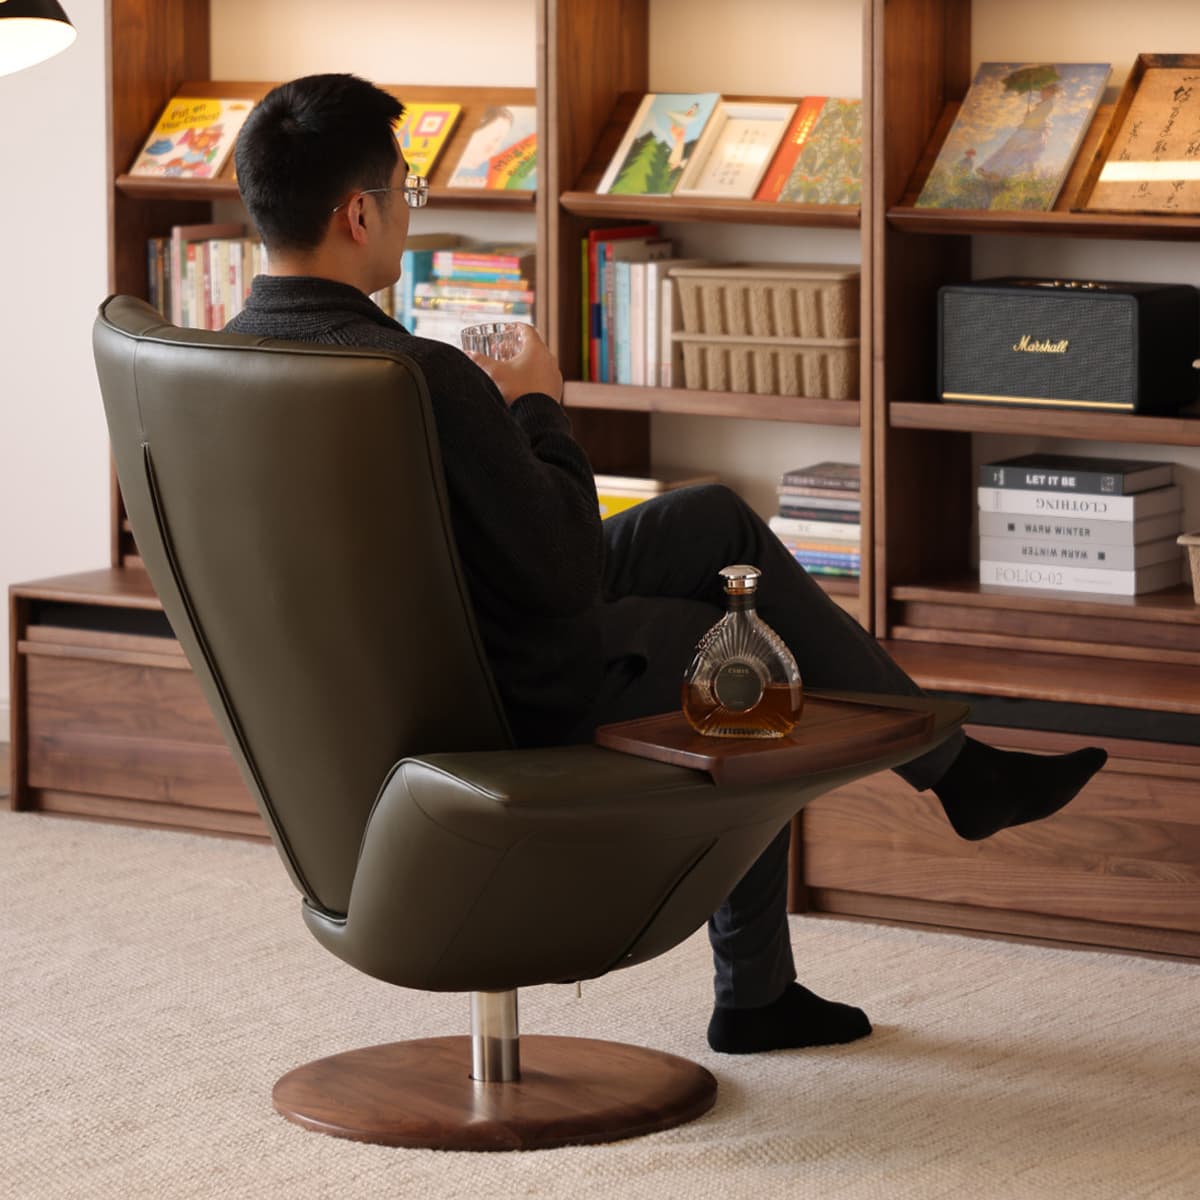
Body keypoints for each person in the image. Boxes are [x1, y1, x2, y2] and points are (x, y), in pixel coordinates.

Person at [226, 74, 1107, 1056]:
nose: (407, 211)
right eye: (405, 191)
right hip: (501, 689)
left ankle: (956, 776)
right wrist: (536, 404)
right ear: (358, 213)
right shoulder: (415, 376)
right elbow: (563, 571)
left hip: (375, 684)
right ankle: (765, 984)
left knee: (710, 521)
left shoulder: (223, 362)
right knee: (738, 647)